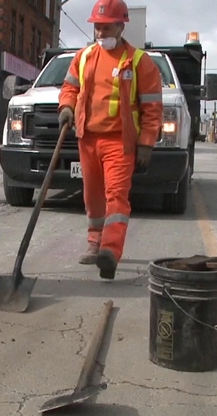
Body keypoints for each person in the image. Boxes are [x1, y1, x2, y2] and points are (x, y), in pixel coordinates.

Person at [58, 0, 163, 279]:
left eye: (105, 27)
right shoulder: (84, 56)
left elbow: (152, 108)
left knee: (116, 197)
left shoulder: (140, 61)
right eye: (97, 27)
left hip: (120, 142)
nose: (100, 33)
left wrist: (146, 143)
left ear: (120, 25)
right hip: (88, 138)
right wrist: (67, 107)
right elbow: (70, 87)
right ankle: (95, 244)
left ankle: (110, 252)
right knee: (93, 196)